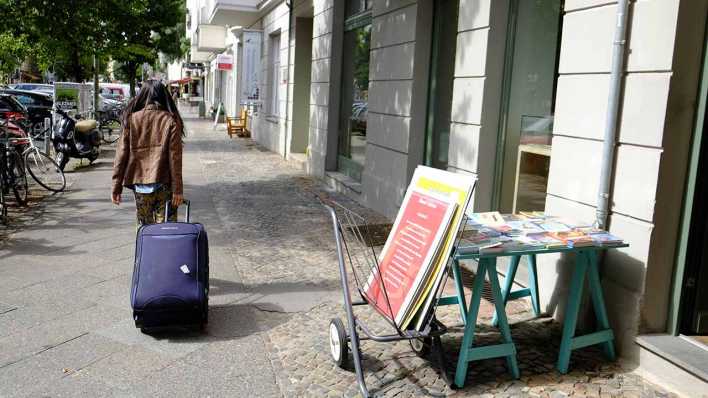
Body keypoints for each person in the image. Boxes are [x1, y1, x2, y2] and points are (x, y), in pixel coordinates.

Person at [111, 80, 184, 225]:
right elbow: (175, 158)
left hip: (140, 184)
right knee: (166, 230)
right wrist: (178, 189)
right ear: (163, 96)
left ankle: (145, 248)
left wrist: (116, 187)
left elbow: (121, 155)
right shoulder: (171, 120)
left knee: (145, 228)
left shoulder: (131, 120)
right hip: (165, 183)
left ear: (142, 96)